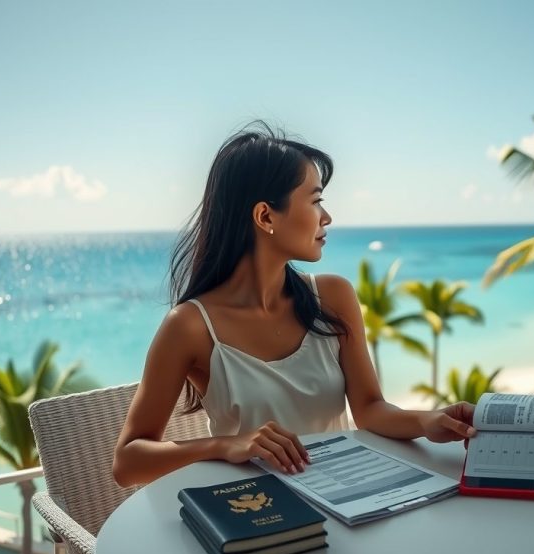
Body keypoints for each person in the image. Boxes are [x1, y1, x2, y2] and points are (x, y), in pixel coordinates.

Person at [112, 123, 477, 487]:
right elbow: (128, 462)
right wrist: (226, 445)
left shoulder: (333, 297)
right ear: (266, 217)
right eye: (316, 200)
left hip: (347, 494)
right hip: (257, 507)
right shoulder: (190, 326)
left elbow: (369, 410)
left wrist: (428, 422)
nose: (327, 217)